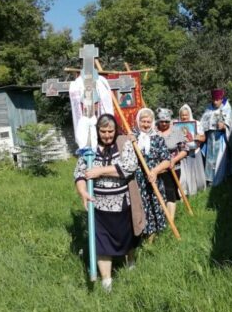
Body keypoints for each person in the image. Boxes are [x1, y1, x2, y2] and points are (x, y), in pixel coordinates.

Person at [74, 114, 144, 292]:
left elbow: (129, 167)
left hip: (122, 203)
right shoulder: (89, 148)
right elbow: (80, 173)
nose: (106, 135)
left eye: (110, 131)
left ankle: (130, 264)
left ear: (116, 130)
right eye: (103, 131)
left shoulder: (123, 143)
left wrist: (100, 171)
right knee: (102, 244)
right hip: (98, 205)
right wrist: (82, 191)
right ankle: (107, 282)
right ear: (97, 130)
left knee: (127, 239)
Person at [131, 108, 171, 238]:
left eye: (149, 121)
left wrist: (154, 171)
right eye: (143, 121)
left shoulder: (157, 138)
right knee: (140, 206)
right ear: (138, 121)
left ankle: (152, 238)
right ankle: (139, 235)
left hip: (154, 178)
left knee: (155, 205)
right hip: (137, 179)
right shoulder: (132, 138)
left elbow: (167, 161)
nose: (146, 124)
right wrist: (129, 140)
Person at [200, 88, 232, 186]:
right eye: (213, 99)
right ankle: (210, 179)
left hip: (222, 139)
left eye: (217, 100)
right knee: (210, 159)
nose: (215, 102)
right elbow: (203, 123)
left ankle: (222, 178)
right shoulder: (208, 109)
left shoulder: (227, 110)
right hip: (210, 139)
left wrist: (225, 126)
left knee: (220, 159)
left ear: (221, 99)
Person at [155, 107, 188, 221]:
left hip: (173, 168)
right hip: (156, 168)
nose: (164, 123)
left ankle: (170, 220)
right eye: (161, 121)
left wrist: (174, 160)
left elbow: (185, 150)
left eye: (166, 121)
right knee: (158, 192)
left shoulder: (176, 131)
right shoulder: (153, 131)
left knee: (170, 192)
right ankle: (159, 218)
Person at [177, 104, 207, 196]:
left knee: (197, 175)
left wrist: (198, 137)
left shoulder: (196, 123)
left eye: (186, 115)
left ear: (189, 114)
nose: (184, 117)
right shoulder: (177, 125)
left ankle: (199, 191)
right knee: (184, 176)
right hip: (183, 153)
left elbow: (203, 138)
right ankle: (185, 192)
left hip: (195, 152)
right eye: (182, 115)